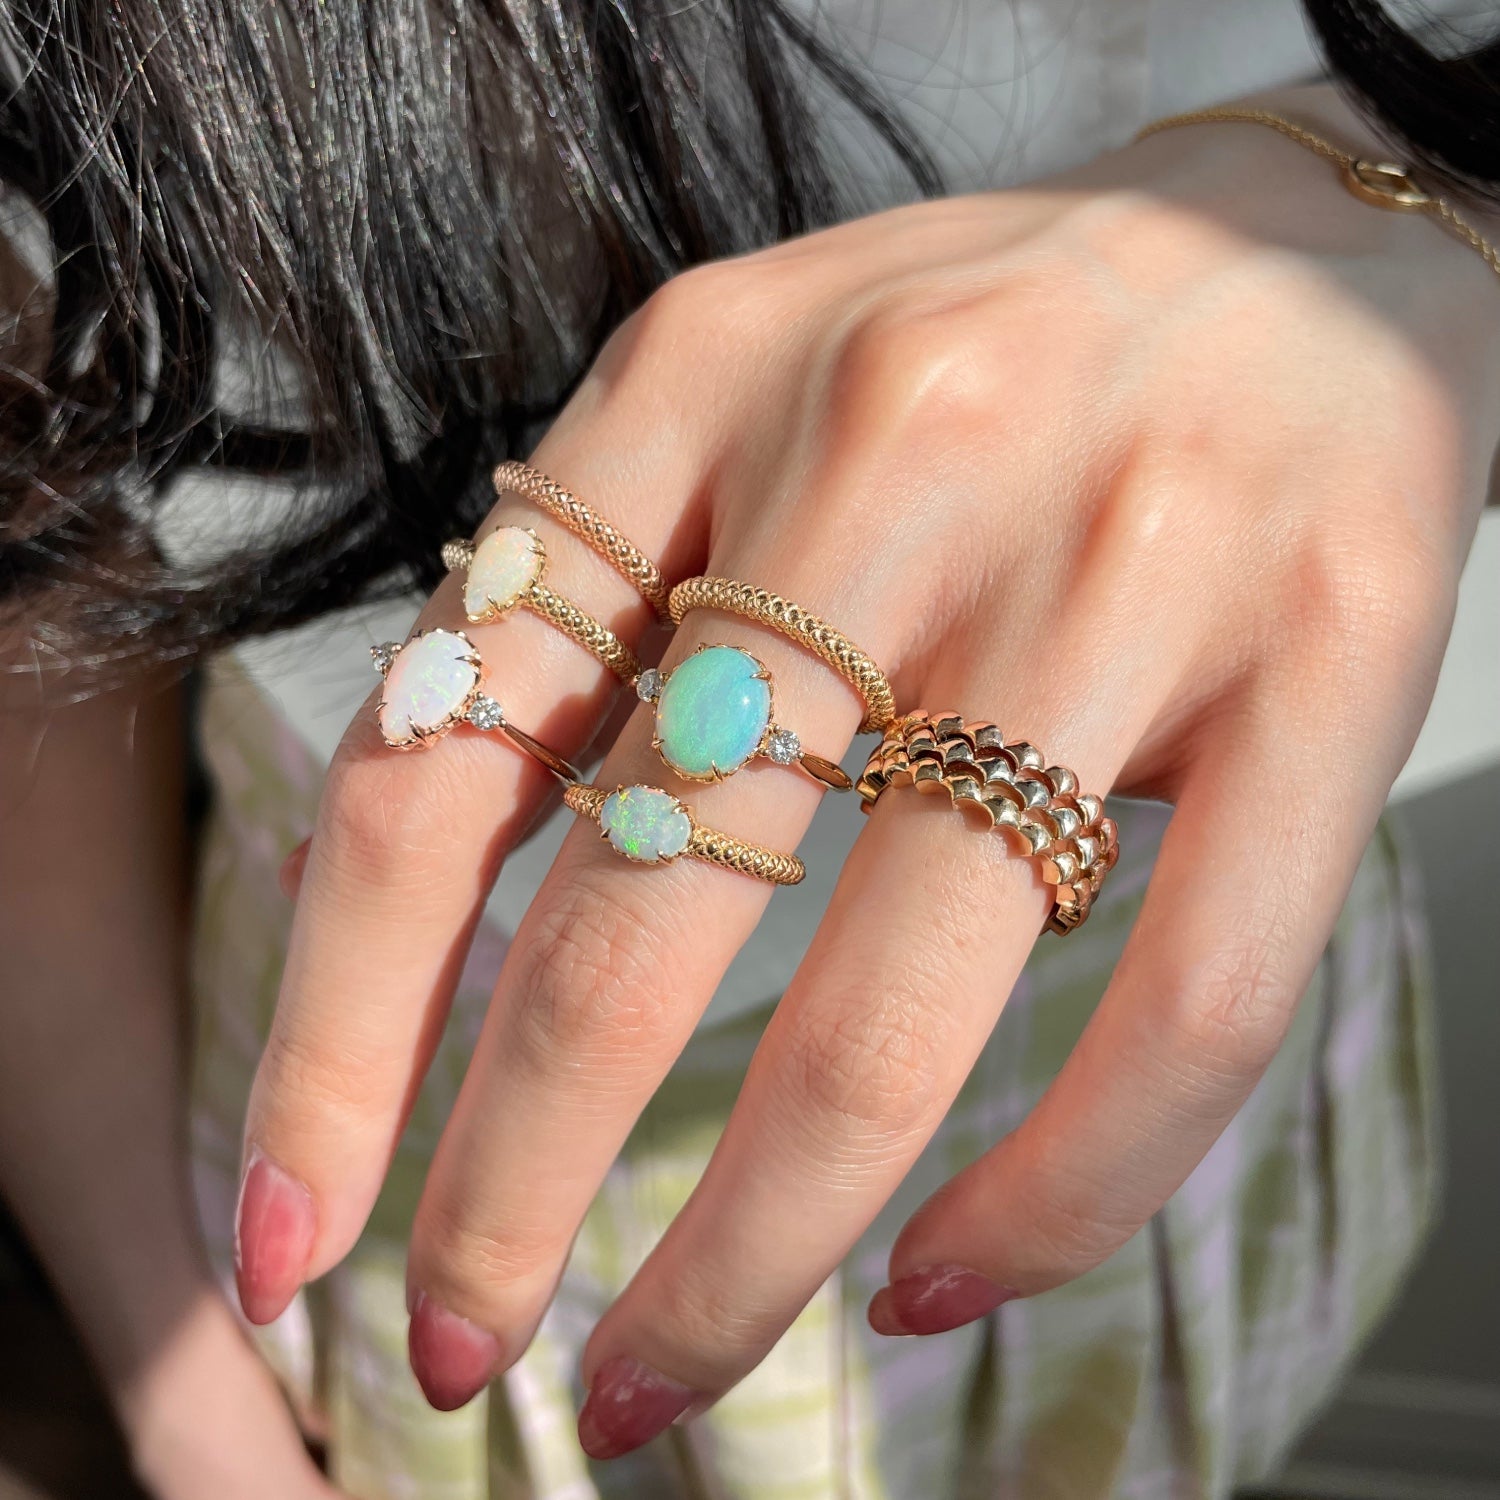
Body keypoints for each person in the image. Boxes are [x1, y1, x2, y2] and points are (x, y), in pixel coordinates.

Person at [1, 2, 1496, 1496]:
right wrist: (177, 1377)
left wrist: (1429, 186)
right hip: (354, 1107)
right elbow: (31, 583)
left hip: (1145, 1060)